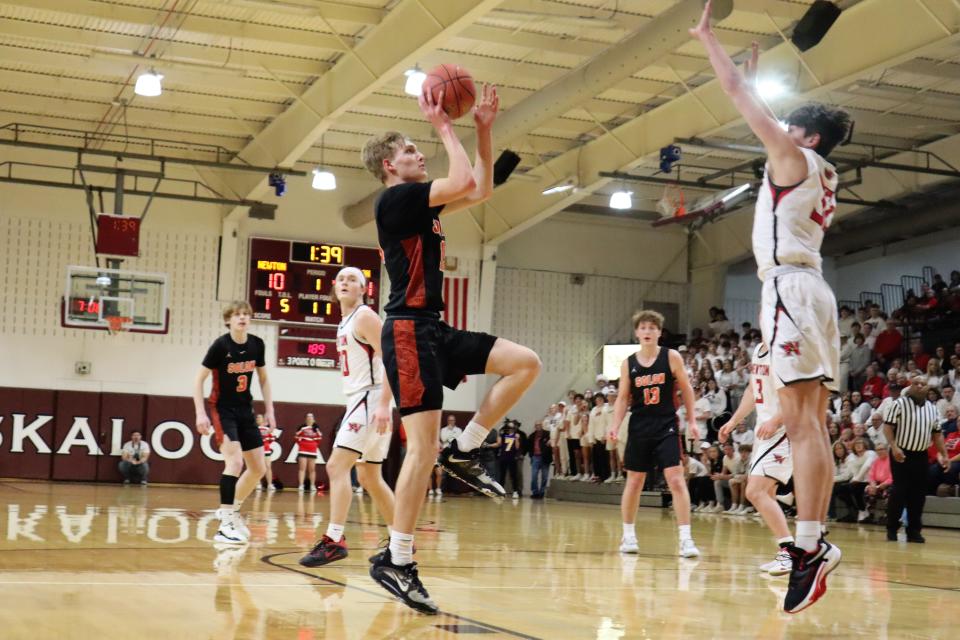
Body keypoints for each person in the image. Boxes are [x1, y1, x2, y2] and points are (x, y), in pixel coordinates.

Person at [363, 84, 541, 615]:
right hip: (407, 333)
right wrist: (444, 124)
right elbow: (463, 178)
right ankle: (397, 558)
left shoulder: (421, 204)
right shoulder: (395, 199)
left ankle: (467, 447)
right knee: (419, 451)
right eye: (410, 151)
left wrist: (483, 129)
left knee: (524, 363)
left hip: (433, 329)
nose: (419, 154)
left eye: (421, 148)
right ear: (390, 167)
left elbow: (480, 188)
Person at [692, 3, 847, 612]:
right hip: (813, 290)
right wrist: (756, 80)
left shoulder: (794, 159)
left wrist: (710, 41)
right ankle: (812, 544)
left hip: (789, 288)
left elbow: (732, 93)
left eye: (787, 125)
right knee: (813, 423)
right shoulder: (818, 168)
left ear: (805, 138)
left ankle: (808, 549)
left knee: (806, 423)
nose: (776, 129)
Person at [300, 267, 397, 568]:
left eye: (353, 279)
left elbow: (393, 358)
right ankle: (401, 541)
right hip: (365, 400)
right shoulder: (345, 321)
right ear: (333, 286)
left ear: (364, 289)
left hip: (371, 397)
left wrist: (383, 403)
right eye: (341, 278)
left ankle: (334, 540)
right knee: (369, 476)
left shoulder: (365, 316)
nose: (345, 282)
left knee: (335, 466)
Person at [608, 309, 700, 558]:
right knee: (635, 482)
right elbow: (622, 398)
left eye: (652, 328)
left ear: (659, 332)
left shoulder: (671, 357)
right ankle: (628, 536)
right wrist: (615, 425)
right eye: (643, 327)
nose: (647, 331)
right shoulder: (629, 363)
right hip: (639, 426)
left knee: (676, 480)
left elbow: (687, 390)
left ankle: (686, 539)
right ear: (637, 332)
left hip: (666, 425)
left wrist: (692, 420)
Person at [193, 300, 272, 545]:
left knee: (259, 468)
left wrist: (269, 410)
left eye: (246, 314)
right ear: (228, 320)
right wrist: (200, 413)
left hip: (245, 410)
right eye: (237, 315)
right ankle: (225, 524)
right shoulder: (220, 345)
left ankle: (232, 510)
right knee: (235, 462)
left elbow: (264, 379)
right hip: (222, 409)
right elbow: (198, 381)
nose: (242, 318)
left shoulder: (257, 345)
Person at [719, 342, 794, 576]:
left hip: (783, 430)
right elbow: (753, 390)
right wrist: (733, 420)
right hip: (765, 431)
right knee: (767, 495)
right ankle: (792, 548)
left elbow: (797, 395)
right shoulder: (760, 349)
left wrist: (776, 421)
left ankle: (790, 552)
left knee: (754, 492)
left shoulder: (786, 349)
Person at [883, 375, 950, 543]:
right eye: (916, 383)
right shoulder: (898, 404)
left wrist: (944, 454)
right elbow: (888, 427)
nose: (919, 386)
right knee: (899, 491)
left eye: (923, 384)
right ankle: (891, 528)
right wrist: (894, 446)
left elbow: (937, 434)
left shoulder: (932, 408)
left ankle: (913, 530)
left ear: (928, 388)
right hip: (901, 453)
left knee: (918, 494)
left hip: (921, 455)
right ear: (910, 386)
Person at [432, 415, 463, 497]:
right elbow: (443, 438)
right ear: (447, 421)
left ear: (455, 421)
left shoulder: (459, 430)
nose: (451, 422)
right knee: (443, 472)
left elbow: (458, 439)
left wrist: (451, 438)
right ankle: (442, 489)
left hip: (455, 453)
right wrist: (451, 435)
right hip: (445, 452)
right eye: (449, 420)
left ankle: (455, 490)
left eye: (452, 420)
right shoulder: (443, 430)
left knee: (455, 472)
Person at [295, 414, 322, 492]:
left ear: (314, 420)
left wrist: (314, 444)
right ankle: (301, 485)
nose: (309, 418)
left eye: (311, 417)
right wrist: (301, 444)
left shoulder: (316, 429)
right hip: (303, 449)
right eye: (308, 417)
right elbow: (296, 437)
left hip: (312, 451)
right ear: (306, 419)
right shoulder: (302, 428)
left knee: (312, 469)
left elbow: (319, 438)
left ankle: (312, 485)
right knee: (302, 468)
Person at [526, 419, 552, 499]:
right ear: (535, 426)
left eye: (540, 425)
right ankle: (535, 492)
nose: (538, 426)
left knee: (544, 477)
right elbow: (529, 447)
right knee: (534, 476)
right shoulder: (532, 436)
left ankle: (542, 492)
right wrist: (531, 456)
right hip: (535, 457)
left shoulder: (548, 434)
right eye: (537, 425)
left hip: (545, 458)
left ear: (542, 425)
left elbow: (551, 444)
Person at [498, 420, 523, 498]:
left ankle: (515, 491)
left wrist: (516, 439)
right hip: (503, 457)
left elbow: (517, 447)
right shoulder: (503, 435)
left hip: (512, 458)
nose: (510, 429)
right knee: (502, 475)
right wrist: (500, 432)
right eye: (508, 427)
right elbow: (499, 443)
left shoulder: (516, 435)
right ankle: (501, 491)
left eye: (511, 427)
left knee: (513, 475)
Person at [255, 414, 279, 492]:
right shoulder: (254, 429)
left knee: (268, 466)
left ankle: (269, 484)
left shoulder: (267, 429)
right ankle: (258, 484)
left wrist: (266, 444)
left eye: (259, 417)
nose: (258, 418)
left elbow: (272, 439)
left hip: (266, 450)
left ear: (263, 420)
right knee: (258, 467)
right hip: (257, 451)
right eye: (257, 418)